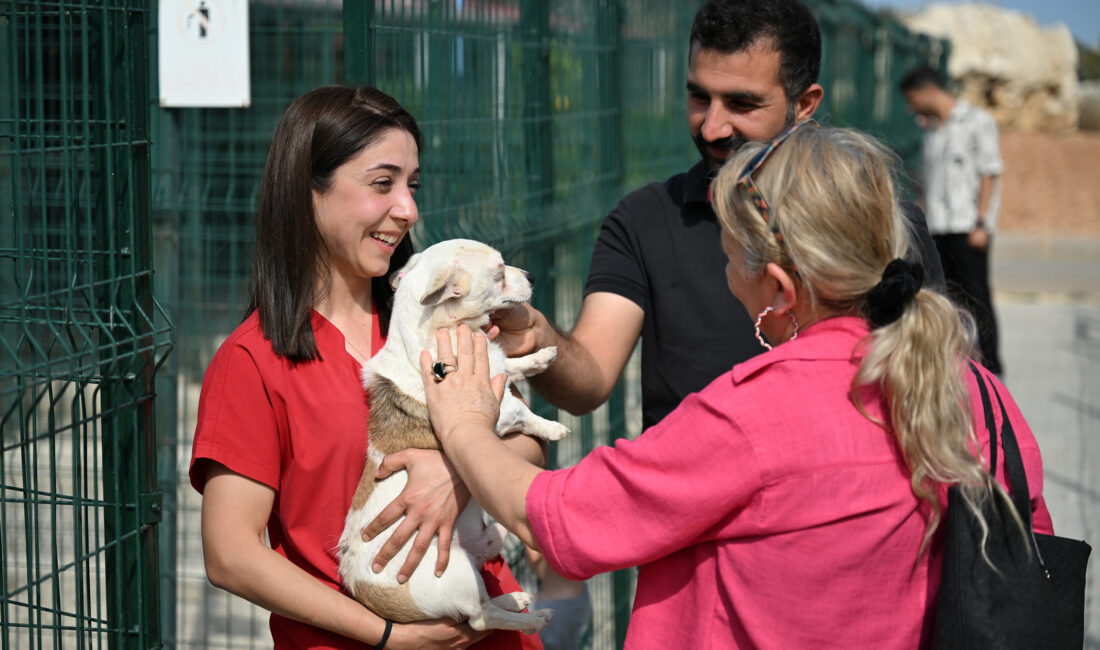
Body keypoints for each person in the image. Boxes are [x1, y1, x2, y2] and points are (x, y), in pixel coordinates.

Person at [412, 124, 1053, 648]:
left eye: (725, 255)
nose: (722, 267)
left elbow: (557, 517)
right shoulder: (982, 396)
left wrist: (463, 422)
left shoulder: (755, 416)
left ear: (778, 286)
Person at [189, 85, 546, 650]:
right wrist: (387, 635)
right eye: (383, 184)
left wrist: (453, 477)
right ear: (307, 191)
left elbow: (529, 448)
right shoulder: (252, 360)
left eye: (412, 185)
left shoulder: (439, 320)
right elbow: (231, 555)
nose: (408, 209)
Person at [491, 0, 945, 431]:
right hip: (691, 505)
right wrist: (538, 335)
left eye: (742, 104)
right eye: (698, 97)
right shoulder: (647, 218)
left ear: (804, 105)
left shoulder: (881, 224)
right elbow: (588, 379)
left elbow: (938, 392)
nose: (712, 127)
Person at [900, 65, 1004, 375]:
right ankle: (961, 361)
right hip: (937, 227)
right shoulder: (932, 129)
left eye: (912, 99)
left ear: (926, 91)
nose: (911, 107)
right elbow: (930, 182)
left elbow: (990, 173)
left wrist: (982, 223)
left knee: (977, 296)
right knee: (945, 295)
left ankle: (992, 368)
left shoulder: (977, 121)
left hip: (967, 227)